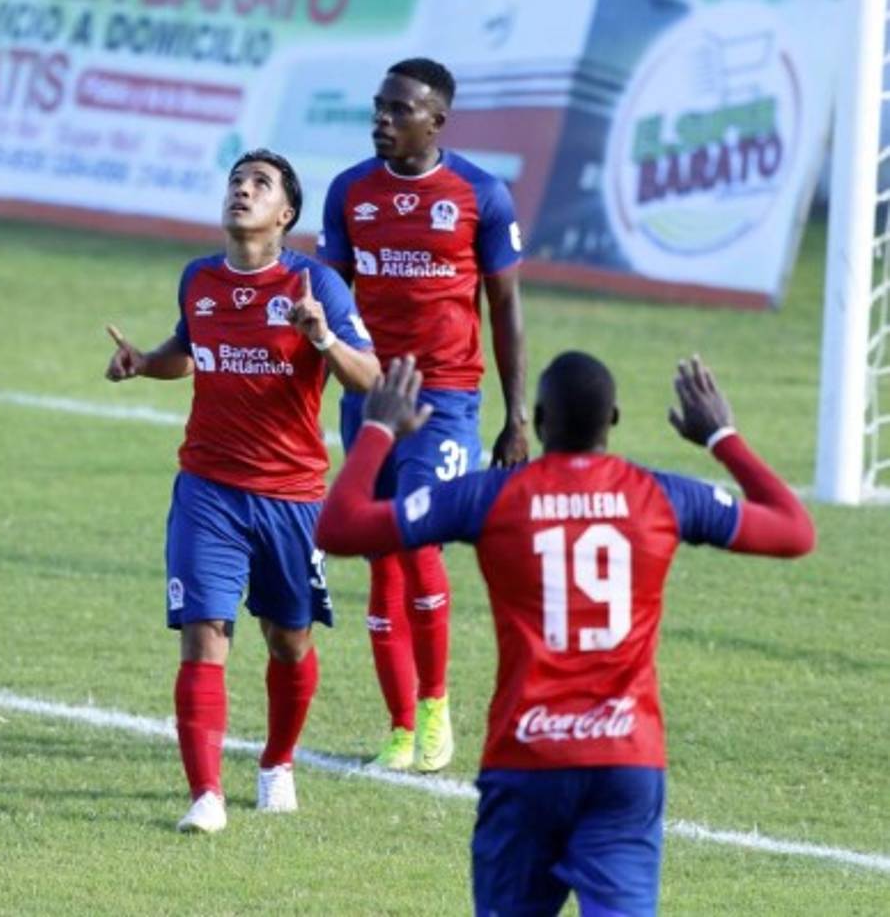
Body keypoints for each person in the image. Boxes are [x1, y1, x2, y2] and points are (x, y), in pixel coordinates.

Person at [316, 353, 815, 915]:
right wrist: (721, 435)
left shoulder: (491, 496)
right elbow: (795, 530)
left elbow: (339, 527)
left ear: (540, 419)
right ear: (615, 419)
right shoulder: (661, 496)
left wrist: (380, 426)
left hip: (525, 762)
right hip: (625, 764)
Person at [104, 149, 379, 833]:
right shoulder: (198, 279)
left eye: (260, 185)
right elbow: (187, 350)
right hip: (208, 489)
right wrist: (145, 364)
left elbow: (371, 378)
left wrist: (322, 340)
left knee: (288, 641)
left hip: (291, 498)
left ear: (285, 214)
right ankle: (206, 795)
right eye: (236, 181)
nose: (243, 191)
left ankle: (277, 763)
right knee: (204, 635)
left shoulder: (316, 285)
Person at [317, 57, 528, 772]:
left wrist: (517, 415)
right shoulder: (349, 193)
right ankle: (401, 727)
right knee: (379, 555)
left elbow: (505, 308)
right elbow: (330, 303)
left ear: (436, 121)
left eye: (398, 110)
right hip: (370, 396)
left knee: (418, 542)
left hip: (445, 401)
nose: (382, 120)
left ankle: (436, 709)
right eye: (378, 107)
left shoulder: (480, 194)